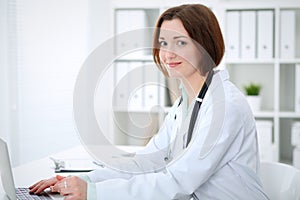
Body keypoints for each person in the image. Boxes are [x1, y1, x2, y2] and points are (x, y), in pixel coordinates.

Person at [29, 4, 269, 200]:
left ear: (204, 44)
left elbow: (179, 180)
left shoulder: (225, 106)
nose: (168, 54)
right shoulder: (185, 104)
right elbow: (149, 161)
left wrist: (94, 193)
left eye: (180, 42)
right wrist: (87, 180)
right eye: (164, 43)